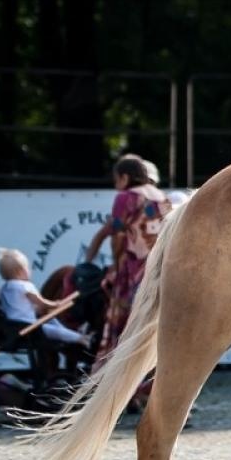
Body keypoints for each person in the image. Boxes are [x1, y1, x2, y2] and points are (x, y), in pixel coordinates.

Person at [83, 153, 171, 360]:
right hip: (160, 267)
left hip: (133, 268)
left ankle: (114, 370)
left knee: (122, 323)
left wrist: (116, 265)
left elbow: (118, 234)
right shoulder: (161, 196)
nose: (116, 186)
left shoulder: (126, 197)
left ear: (124, 177)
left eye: (116, 180)